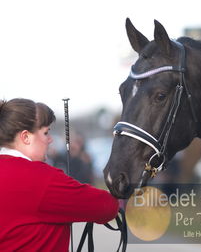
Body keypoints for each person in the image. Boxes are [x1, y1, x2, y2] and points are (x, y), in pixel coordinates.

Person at [0, 98, 119, 252]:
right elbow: (107, 207)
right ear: (25, 137)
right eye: (45, 132)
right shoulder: (41, 178)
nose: (50, 140)